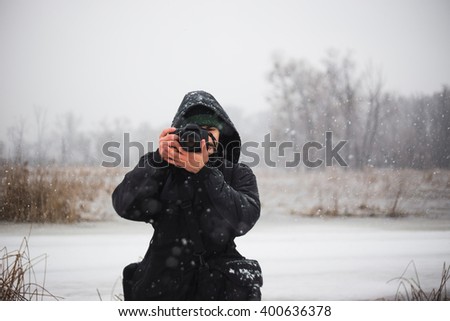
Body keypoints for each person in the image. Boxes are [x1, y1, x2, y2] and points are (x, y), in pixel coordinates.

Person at [112, 90, 262, 300]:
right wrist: (158, 160)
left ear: (221, 136)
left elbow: (244, 219)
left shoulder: (237, 173)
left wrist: (205, 173)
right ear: (176, 134)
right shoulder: (161, 169)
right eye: (193, 131)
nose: (201, 137)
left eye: (209, 129)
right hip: (162, 285)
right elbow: (125, 206)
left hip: (218, 289)